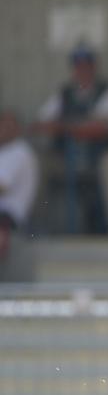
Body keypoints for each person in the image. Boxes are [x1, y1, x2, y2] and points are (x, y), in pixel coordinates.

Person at [34, 43, 108, 237]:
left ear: (94, 67)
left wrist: (66, 126)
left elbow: (100, 129)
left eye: (87, 65)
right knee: (38, 162)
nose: (82, 70)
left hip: (96, 157)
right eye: (78, 65)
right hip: (66, 157)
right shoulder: (65, 92)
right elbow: (40, 124)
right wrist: (80, 126)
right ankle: (35, 226)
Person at [0, 111, 38, 281]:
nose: (3, 129)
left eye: (8, 125)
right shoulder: (4, 151)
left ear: (17, 129)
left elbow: (2, 187)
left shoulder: (19, 151)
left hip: (8, 219)